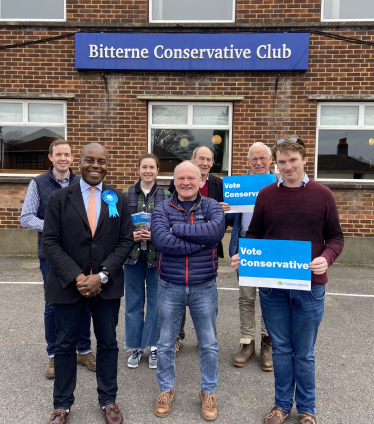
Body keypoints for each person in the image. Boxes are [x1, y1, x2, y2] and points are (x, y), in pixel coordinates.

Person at [231, 137, 344, 424]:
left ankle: (307, 409)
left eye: (292, 160)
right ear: (276, 164)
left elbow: (336, 237)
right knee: (281, 349)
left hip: (310, 286)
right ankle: (281, 405)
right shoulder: (266, 195)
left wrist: (327, 258)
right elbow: (254, 232)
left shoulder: (323, 194)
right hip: (273, 287)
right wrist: (245, 254)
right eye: (282, 161)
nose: (287, 166)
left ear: (304, 160)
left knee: (303, 352)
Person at [42, 143, 134, 424]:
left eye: (102, 161)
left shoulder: (118, 198)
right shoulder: (60, 198)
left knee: (107, 343)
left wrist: (102, 274)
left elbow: (126, 240)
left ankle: (108, 400)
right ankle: (62, 405)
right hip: (68, 285)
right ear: (78, 162)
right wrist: (78, 276)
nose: (96, 165)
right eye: (90, 160)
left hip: (106, 286)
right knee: (66, 344)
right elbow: (50, 242)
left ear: (108, 165)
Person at [151, 160, 225, 421]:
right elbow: (161, 240)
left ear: (199, 180)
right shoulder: (162, 208)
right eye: (180, 178)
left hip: (204, 285)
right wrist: (201, 243)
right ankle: (165, 389)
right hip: (170, 284)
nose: (185, 182)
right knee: (165, 343)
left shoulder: (213, 206)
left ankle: (208, 392)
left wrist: (179, 230)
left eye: (191, 178)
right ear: (174, 181)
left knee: (209, 344)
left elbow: (216, 231)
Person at [20, 139, 95, 379]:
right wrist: (56, 227)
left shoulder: (83, 182)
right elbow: (27, 218)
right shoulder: (38, 184)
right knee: (53, 305)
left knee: (84, 301)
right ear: (50, 157)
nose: (63, 158)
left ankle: (83, 350)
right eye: (58, 154)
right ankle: (53, 354)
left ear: (73, 158)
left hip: (82, 254)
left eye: (67, 154)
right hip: (51, 255)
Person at [168, 146, 228, 355]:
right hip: (179, 251)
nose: (204, 163)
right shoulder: (180, 179)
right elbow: (172, 213)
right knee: (177, 297)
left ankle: (205, 338)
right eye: (200, 158)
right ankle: (178, 336)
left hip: (207, 255)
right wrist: (198, 237)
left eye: (208, 159)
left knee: (204, 297)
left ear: (213, 162)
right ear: (193, 159)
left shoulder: (219, 184)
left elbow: (222, 223)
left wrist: (224, 212)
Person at [226, 142, 274, 371]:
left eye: (263, 158)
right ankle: (247, 343)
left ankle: (268, 343)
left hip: (272, 249)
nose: (258, 162)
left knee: (269, 298)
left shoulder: (279, 183)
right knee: (246, 298)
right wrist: (224, 208)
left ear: (271, 160)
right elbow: (230, 221)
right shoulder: (239, 186)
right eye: (254, 159)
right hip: (245, 246)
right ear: (248, 162)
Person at [123, 153, 170, 369]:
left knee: (156, 303)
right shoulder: (124, 195)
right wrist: (130, 236)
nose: (148, 171)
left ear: (158, 170)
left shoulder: (167, 196)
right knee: (133, 303)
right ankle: (135, 347)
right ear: (138, 169)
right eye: (144, 167)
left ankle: (153, 346)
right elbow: (116, 227)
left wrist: (157, 235)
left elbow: (171, 227)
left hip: (156, 258)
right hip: (132, 258)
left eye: (152, 167)